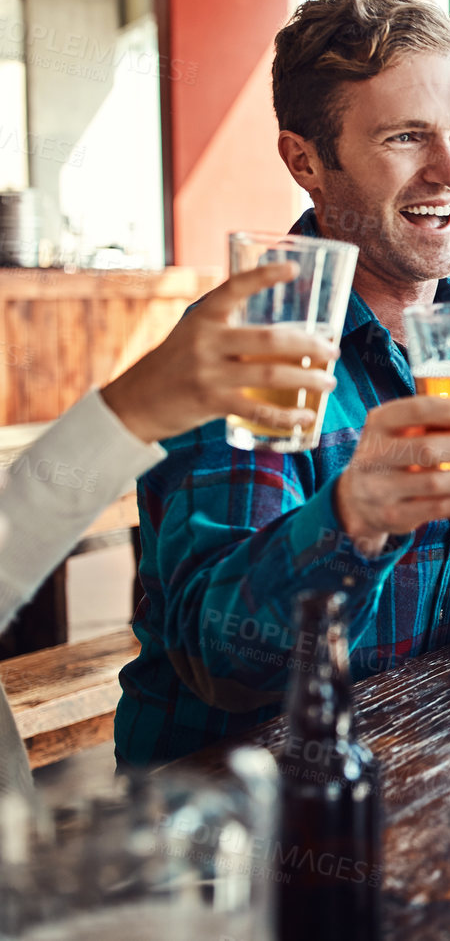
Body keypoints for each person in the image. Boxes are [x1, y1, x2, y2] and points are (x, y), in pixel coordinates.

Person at [115, 0, 450, 767]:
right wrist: (355, 516)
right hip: (237, 806)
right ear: (306, 160)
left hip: (407, 759)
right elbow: (224, 660)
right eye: (407, 137)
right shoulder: (251, 339)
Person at [0, 264, 336, 796]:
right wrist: (130, 412)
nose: (449, 177)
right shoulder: (247, 344)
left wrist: (130, 412)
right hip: (232, 792)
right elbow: (228, 654)